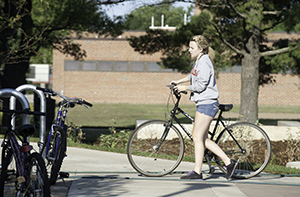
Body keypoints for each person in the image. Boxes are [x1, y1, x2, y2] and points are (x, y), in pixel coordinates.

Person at [171, 35, 238, 180]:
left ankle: (209, 168)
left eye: (192, 48)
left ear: (200, 49)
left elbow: (200, 85)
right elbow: (193, 76)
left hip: (207, 104)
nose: (189, 50)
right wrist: (179, 81)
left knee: (197, 137)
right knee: (202, 138)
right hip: (204, 103)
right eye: (189, 47)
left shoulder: (204, 62)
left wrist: (185, 88)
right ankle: (222, 164)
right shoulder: (199, 61)